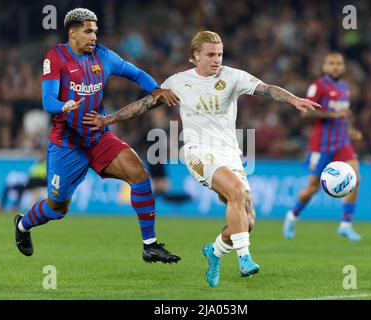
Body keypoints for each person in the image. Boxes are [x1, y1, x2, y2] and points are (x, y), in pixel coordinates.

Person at [83, 31, 320, 287]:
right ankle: (245, 258)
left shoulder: (234, 76)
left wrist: (293, 99)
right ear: (196, 56)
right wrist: (108, 119)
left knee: (247, 221)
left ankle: (214, 251)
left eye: (219, 54)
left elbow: (266, 89)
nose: (216, 59)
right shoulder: (178, 82)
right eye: (210, 54)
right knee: (237, 191)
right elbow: (145, 104)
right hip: (197, 151)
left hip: (230, 154)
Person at [14, 8, 181, 264]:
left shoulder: (103, 56)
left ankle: (150, 245)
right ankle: (23, 225)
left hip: (97, 136)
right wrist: (64, 106)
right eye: (88, 31)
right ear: (73, 32)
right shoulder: (56, 57)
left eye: (96, 31)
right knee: (57, 208)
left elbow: (135, 73)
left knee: (139, 174)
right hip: (67, 144)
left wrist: (156, 89)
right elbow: (48, 100)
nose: (94, 36)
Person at [283, 52, 363, 242]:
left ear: (343, 67)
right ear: (325, 66)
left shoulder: (345, 87)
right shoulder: (318, 86)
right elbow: (305, 113)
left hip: (342, 143)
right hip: (321, 145)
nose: (335, 66)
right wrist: (332, 115)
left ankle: (345, 224)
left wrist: (350, 130)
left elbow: (344, 114)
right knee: (312, 188)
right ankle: (292, 216)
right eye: (331, 63)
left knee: (356, 178)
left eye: (338, 63)